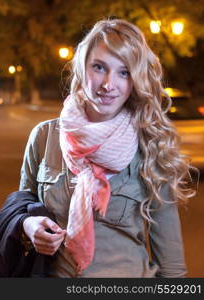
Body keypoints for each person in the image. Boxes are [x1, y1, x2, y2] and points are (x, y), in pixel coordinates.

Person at [19, 18, 196, 278]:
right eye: (99, 67)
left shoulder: (150, 146)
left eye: (123, 72)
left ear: (136, 80)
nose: (108, 84)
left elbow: (171, 266)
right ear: (81, 68)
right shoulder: (44, 136)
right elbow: (21, 207)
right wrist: (28, 224)